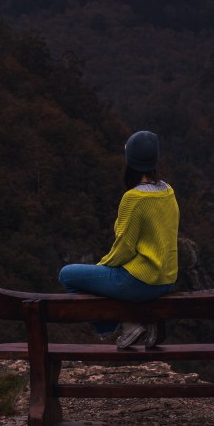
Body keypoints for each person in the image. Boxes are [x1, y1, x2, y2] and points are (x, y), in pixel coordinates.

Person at [58, 130, 179, 348]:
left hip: (140, 281)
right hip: (166, 280)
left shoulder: (133, 198)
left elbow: (124, 247)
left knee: (67, 275)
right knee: (102, 280)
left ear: (129, 162)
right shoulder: (168, 191)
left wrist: (101, 269)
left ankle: (127, 325)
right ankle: (140, 319)